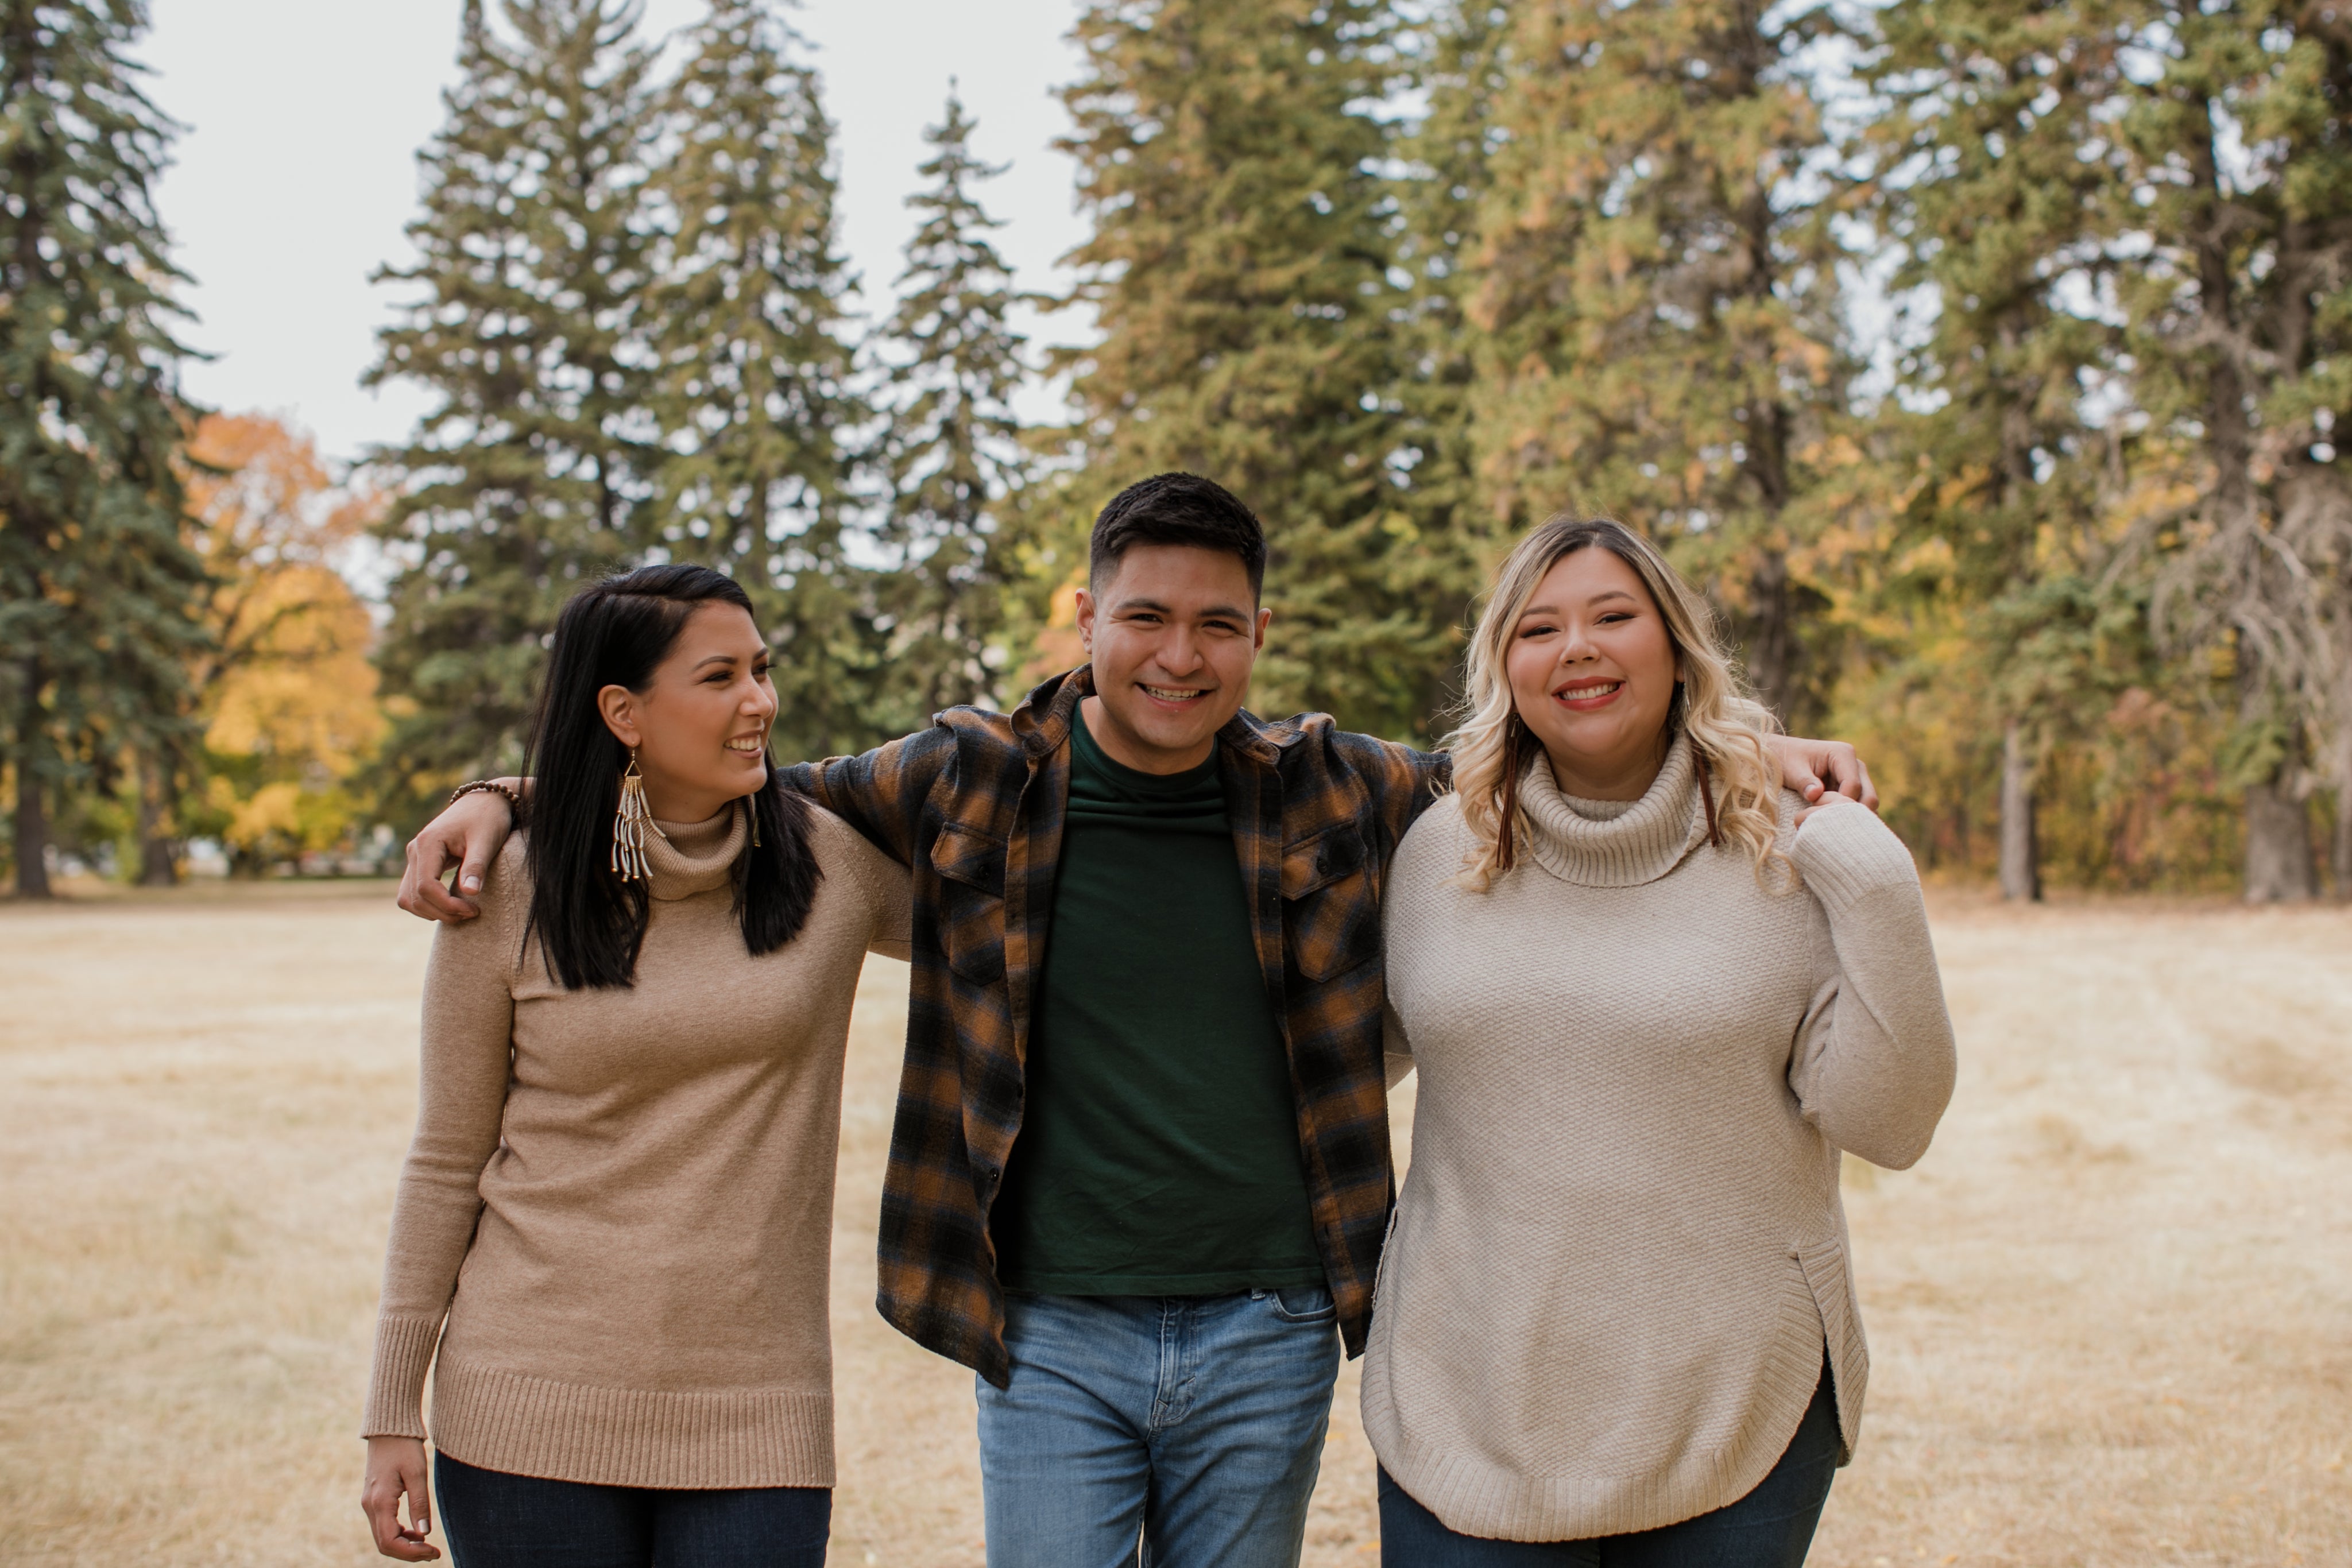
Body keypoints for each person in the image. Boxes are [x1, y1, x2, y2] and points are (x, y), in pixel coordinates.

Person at [395, 476, 1878, 1568]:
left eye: (1217, 625)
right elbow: (719, 779)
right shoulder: (968, 777)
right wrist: (507, 794)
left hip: (1269, 1325)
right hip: (1047, 1333)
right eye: (1147, 616)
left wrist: (1749, 748)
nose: (1180, 655)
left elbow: (1555, 745)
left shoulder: (1334, 788)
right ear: (1089, 614)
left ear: (1257, 633)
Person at [1365, 516, 1956, 1565]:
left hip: (1732, 1400)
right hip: (1470, 1394)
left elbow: (1892, 1123)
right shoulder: (1435, 851)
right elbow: (1341, 1069)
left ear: (1678, 648)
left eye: (1613, 616)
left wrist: (1877, 884)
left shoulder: (1786, 845)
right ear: (1506, 665)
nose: (1578, 647)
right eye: (1539, 627)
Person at [358, 565, 910, 1567]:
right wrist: (392, 1407)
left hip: (758, 1412)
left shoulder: (833, 866)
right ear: (623, 710)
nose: (761, 703)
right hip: (524, 1404)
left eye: (762, 670)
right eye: (720, 678)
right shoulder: (508, 885)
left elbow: (1014, 917)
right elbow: (447, 1159)